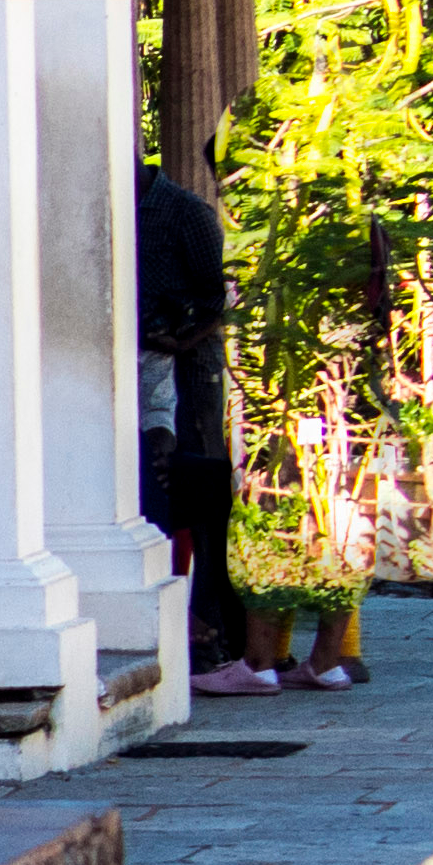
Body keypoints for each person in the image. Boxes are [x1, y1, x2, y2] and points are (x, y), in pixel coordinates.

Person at [139, 164, 279, 696]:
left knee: (209, 496)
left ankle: (216, 633)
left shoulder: (186, 213)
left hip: (185, 370)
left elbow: (217, 299)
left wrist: (182, 338)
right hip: (140, 364)